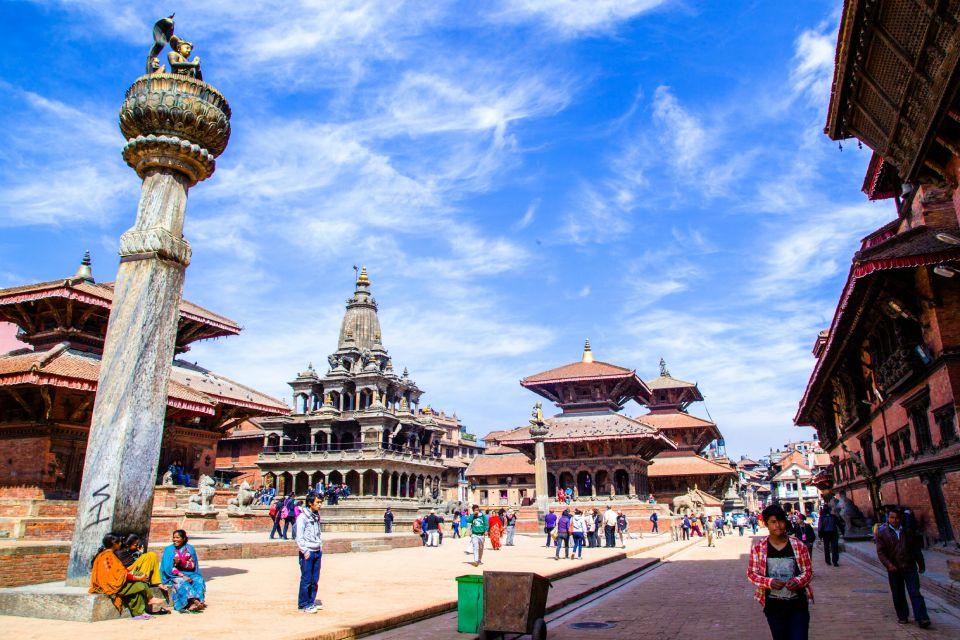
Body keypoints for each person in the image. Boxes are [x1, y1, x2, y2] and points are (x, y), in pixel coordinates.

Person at [746, 504, 813, 640]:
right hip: (773, 606)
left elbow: (808, 572)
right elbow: (752, 574)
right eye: (773, 522)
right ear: (766, 524)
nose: (778, 525)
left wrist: (797, 581)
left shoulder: (798, 545)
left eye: (781, 521)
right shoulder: (759, 548)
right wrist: (769, 582)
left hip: (798, 604)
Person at [876, 508, 930, 628]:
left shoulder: (908, 531)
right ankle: (902, 616)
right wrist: (889, 565)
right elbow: (881, 552)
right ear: (888, 518)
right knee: (898, 593)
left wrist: (921, 564)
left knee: (915, 592)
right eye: (892, 518)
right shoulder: (882, 532)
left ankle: (922, 618)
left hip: (909, 565)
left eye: (896, 518)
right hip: (894, 568)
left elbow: (916, 549)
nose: (894, 520)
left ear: (901, 519)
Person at [89, 534, 158, 620]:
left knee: (136, 585)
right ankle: (148, 602)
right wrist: (136, 578)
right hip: (110, 585)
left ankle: (139, 613)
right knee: (140, 585)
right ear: (114, 544)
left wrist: (134, 575)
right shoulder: (108, 556)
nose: (121, 543)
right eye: (119, 542)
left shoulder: (107, 554)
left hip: (112, 582)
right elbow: (117, 574)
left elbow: (120, 571)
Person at [160, 530, 207, 613]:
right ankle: (192, 602)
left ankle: (200, 601)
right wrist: (182, 575)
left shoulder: (190, 548)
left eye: (177, 537)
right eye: (174, 537)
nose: (175, 539)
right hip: (173, 575)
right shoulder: (169, 550)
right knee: (181, 581)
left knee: (198, 579)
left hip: (190, 573)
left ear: (184, 538)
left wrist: (182, 562)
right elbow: (168, 568)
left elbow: (193, 565)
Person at [295, 492, 323, 613]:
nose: (320, 505)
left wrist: (320, 546)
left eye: (321, 502)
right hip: (308, 552)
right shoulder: (302, 517)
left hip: (317, 550)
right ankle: (303, 604)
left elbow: (318, 533)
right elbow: (299, 537)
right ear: (310, 503)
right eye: (318, 502)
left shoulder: (316, 516)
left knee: (314, 579)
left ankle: (311, 602)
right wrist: (305, 551)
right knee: (306, 579)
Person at [115, 534, 167, 599]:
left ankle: (157, 582)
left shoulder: (132, 550)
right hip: (127, 571)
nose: (137, 547)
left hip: (134, 569)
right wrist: (141, 555)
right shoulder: (121, 552)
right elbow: (128, 566)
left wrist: (140, 553)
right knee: (147, 556)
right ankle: (144, 581)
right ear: (128, 545)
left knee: (152, 555)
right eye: (135, 545)